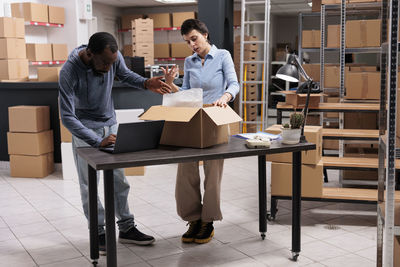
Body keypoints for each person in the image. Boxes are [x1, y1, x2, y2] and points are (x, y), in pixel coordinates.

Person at [59, 32, 172, 254]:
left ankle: (127, 228)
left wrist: (146, 83)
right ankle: (98, 231)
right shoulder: (69, 71)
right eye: (104, 63)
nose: (109, 68)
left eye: (112, 62)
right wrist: (94, 140)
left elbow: (125, 74)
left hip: (110, 124)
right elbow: (67, 116)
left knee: (119, 179)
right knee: (89, 184)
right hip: (84, 129)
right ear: (90, 54)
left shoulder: (112, 56)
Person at [162, 19, 239, 244]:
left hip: (215, 118)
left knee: (212, 173)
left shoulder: (223, 56)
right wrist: (170, 82)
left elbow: (234, 84)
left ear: (205, 35)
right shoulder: (189, 61)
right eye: (187, 42)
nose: (192, 45)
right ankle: (193, 219)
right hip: (192, 120)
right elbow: (186, 92)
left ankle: (208, 221)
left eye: (194, 39)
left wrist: (225, 97)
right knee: (186, 172)